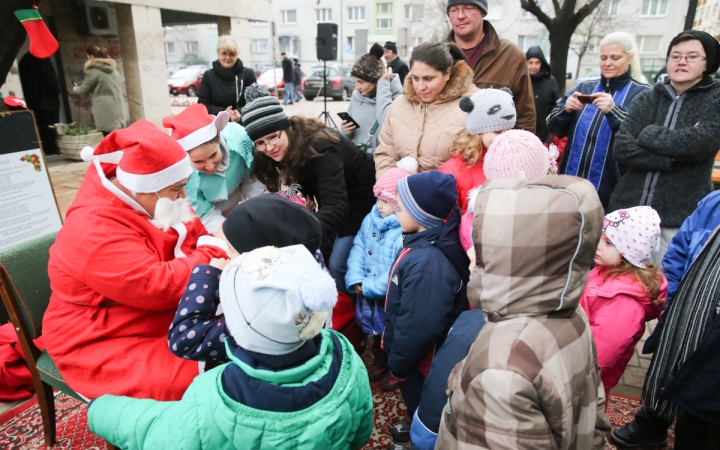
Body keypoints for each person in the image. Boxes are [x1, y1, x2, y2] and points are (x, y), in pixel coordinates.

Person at [88, 243, 374, 450]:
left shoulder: (214, 394)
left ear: (234, 327)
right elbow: (362, 430)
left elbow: (159, 434)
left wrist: (101, 409)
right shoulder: (345, 353)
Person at [42, 120, 228, 401]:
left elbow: (197, 236)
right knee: (196, 377)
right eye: (176, 188)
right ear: (143, 187)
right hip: (101, 333)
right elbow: (157, 287)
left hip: (147, 308)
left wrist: (205, 252)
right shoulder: (93, 228)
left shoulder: (158, 193)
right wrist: (212, 252)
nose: (182, 196)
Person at [436, 175, 610, 449]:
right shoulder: (574, 314)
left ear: (509, 258)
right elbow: (593, 409)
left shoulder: (502, 366)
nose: (473, 258)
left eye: (483, 251)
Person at [241, 84, 376, 295]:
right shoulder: (284, 146)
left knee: (337, 264)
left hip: (362, 196)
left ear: (285, 127)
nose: (269, 147)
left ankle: (350, 315)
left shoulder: (320, 146)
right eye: (260, 142)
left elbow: (337, 205)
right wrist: (305, 193)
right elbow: (302, 173)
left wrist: (301, 233)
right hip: (336, 194)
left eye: (273, 137)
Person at [611, 190, 720, 448]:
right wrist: (674, 302)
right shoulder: (713, 203)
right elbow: (679, 251)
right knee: (682, 401)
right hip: (688, 321)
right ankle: (655, 422)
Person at [168, 194, 325, 363]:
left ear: (260, 260)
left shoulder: (258, 319)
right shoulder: (305, 259)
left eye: (230, 249)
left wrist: (208, 277)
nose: (226, 255)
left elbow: (184, 340)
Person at [608, 30, 720, 265]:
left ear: (708, 62)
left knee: (661, 290)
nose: (681, 61)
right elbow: (622, 148)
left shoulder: (715, 99)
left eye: (691, 56)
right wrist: (669, 158)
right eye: (675, 55)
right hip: (628, 213)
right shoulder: (647, 98)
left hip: (677, 219)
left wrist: (647, 133)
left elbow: (699, 143)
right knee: (618, 287)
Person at [384, 171, 470, 446]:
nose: (394, 211)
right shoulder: (420, 246)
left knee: (423, 403)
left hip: (421, 363)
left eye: (399, 207)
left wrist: (398, 364)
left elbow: (418, 326)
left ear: (420, 216)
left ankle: (420, 436)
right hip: (413, 357)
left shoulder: (427, 265)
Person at [547, 32, 650, 210]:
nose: (608, 63)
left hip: (612, 187)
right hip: (571, 181)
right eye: (603, 57)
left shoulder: (643, 93)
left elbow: (644, 136)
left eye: (615, 57)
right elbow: (553, 126)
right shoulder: (584, 87)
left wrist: (613, 111)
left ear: (630, 58)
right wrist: (566, 110)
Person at [579, 206, 666, 403]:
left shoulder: (625, 302)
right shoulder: (605, 270)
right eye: (600, 237)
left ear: (631, 253)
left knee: (578, 423)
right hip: (574, 355)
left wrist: (573, 375)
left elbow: (603, 351)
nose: (598, 245)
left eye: (609, 242)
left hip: (584, 378)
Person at [345, 157, 416, 392]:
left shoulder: (405, 230)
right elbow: (358, 246)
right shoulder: (371, 219)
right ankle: (379, 358)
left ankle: (395, 365)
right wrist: (355, 278)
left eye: (385, 201)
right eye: (378, 199)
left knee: (392, 331)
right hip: (367, 289)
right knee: (375, 330)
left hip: (388, 295)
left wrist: (368, 286)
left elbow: (397, 270)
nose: (379, 205)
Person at [374, 41, 478, 176]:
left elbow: (474, 165)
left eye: (428, 79)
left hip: (449, 195)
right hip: (397, 193)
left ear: (447, 73)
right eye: (415, 78)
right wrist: (392, 185)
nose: (420, 87)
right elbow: (385, 153)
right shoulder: (398, 105)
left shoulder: (473, 106)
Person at [162, 104, 263, 234]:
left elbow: (251, 179)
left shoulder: (239, 143)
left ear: (219, 136)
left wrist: (258, 212)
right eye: (198, 161)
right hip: (205, 215)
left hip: (236, 203)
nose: (210, 167)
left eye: (213, 155)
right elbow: (204, 214)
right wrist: (231, 234)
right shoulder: (184, 177)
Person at [445, 0, 536, 133]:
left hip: (495, 149)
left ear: (483, 12)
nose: (460, 15)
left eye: (468, 8)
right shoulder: (437, 56)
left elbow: (525, 116)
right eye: (454, 10)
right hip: (446, 150)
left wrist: (520, 148)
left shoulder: (511, 55)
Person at [438, 87, 516, 212]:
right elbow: (449, 217)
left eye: (509, 129)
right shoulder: (452, 171)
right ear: (478, 133)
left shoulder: (516, 161)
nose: (505, 136)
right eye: (498, 131)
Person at [343, 43, 403, 153]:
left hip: (384, 164)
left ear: (376, 81)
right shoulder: (357, 97)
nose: (357, 87)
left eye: (361, 82)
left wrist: (383, 85)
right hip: (359, 163)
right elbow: (347, 139)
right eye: (355, 81)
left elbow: (386, 123)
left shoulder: (398, 99)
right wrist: (346, 132)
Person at [198, 35, 256, 122]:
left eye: (232, 54)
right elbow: (202, 104)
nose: (228, 58)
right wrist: (224, 113)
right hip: (216, 125)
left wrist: (239, 113)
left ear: (237, 54)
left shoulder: (248, 74)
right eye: (224, 53)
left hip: (243, 123)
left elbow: (254, 102)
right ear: (218, 53)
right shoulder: (208, 76)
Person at [72, 45, 124, 136]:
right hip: (117, 106)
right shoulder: (113, 70)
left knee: (107, 135)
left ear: (91, 56)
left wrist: (75, 88)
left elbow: (84, 89)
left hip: (104, 108)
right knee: (117, 135)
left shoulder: (93, 71)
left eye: (87, 57)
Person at [18, 52, 61, 154]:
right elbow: (52, 83)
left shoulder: (25, 60)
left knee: (40, 126)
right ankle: (50, 148)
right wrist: (56, 89)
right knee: (49, 126)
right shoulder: (41, 60)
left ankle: (45, 148)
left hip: (33, 100)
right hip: (46, 101)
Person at [526, 46, 559, 142]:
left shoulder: (550, 81)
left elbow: (555, 105)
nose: (533, 66)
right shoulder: (520, 80)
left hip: (544, 132)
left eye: (537, 63)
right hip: (523, 130)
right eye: (530, 63)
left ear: (542, 64)